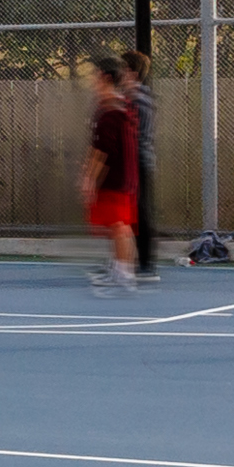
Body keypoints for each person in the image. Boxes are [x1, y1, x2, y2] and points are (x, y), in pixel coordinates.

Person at [84, 54, 149, 293]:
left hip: (117, 178)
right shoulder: (112, 107)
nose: (92, 81)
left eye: (95, 76)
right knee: (117, 225)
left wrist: (90, 177)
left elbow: (104, 150)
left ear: (105, 77)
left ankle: (124, 274)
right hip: (123, 177)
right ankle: (120, 269)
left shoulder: (113, 110)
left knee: (119, 225)